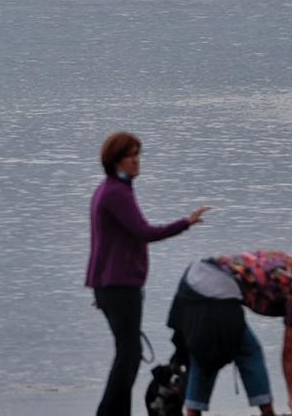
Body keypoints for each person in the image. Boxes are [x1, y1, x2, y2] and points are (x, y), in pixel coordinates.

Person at [87, 132, 210, 416]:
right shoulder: (115, 192)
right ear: (117, 161)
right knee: (128, 356)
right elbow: (144, 232)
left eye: (138, 154)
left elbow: (103, 242)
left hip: (112, 284)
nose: (137, 160)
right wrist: (185, 223)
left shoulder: (109, 189)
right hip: (119, 285)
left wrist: (98, 285)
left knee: (128, 355)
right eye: (131, 155)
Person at [166, 245, 292, 416]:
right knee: (248, 351)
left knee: (203, 350)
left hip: (193, 278)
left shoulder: (284, 260)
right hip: (218, 293)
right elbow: (289, 349)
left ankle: (192, 411)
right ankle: (267, 411)